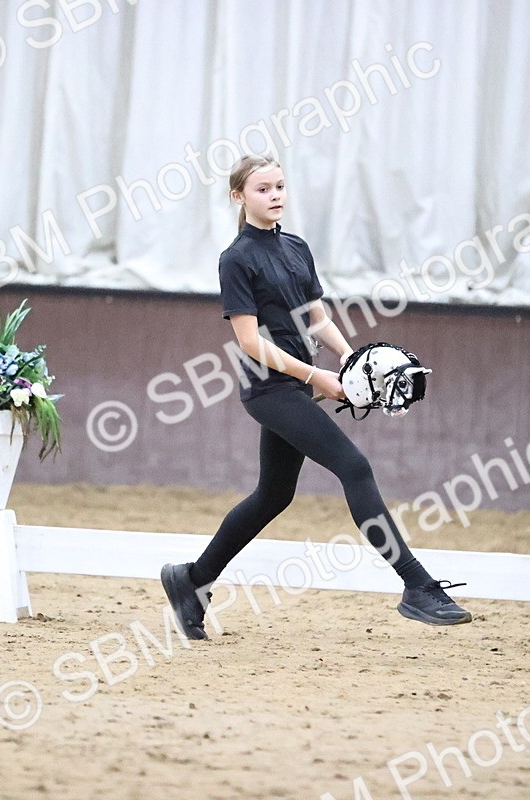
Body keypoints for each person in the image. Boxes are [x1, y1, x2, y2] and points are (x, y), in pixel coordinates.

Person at [160, 154, 472, 640]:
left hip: (300, 382)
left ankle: (192, 580)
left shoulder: (296, 247)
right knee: (355, 467)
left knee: (273, 495)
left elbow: (318, 320)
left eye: (280, 186)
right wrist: (318, 377)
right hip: (268, 387)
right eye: (263, 189)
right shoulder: (236, 258)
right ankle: (417, 585)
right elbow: (248, 341)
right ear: (239, 197)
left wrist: (351, 361)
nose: (276, 195)